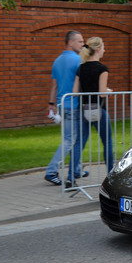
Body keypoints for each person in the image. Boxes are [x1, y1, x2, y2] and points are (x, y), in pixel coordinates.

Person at [44, 31, 89, 185]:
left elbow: (54, 85)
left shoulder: (57, 61)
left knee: (73, 139)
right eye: (80, 41)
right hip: (74, 106)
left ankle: (76, 170)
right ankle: (51, 171)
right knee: (70, 140)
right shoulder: (78, 60)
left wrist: (51, 104)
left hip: (62, 105)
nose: (83, 44)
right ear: (71, 43)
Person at [74, 37, 114, 173]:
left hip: (83, 109)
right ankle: (110, 176)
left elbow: (75, 92)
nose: (104, 50)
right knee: (107, 142)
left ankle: (70, 178)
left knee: (79, 143)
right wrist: (108, 90)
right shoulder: (102, 68)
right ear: (98, 50)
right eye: (103, 47)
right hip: (99, 110)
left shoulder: (81, 68)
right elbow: (102, 93)